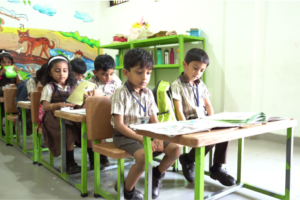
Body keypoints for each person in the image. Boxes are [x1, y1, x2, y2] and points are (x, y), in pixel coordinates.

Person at [111, 48, 181, 200]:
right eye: (139, 72)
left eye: (148, 72)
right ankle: (128, 191)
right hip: (126, 134)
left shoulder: (148, 93)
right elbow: (119, 125)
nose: (145, 77)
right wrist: (140, 138)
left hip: (147, 132)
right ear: (126, 73)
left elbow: (154, 120)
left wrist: (158, 136)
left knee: (176, 150)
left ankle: (157, 175)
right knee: (144, 158)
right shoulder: (120, 92)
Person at [171, 48, 236, 186]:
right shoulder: (177, 85)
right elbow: (178, 109)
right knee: (210, 137)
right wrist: (185, 126)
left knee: (226, 131)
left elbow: (208, 105)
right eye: (195, 68)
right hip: (190, 121)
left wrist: (213, 120)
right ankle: (188, 159)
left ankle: (217, 168)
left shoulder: (200, 84)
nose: (198, 73)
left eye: (201, 70)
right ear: (184, 64)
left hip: (204, 121)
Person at [40, 55, 92, 174]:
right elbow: (45, 106)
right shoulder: (49, 87)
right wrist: (59, 105)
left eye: (65, 70)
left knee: (88, 128)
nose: (61, 74)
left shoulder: (73, 86)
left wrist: (85, 101)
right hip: (53, 117)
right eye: (57, 71)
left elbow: (77, 105)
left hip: (70, 115)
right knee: (68, 131)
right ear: (50, 72)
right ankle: (70, 163)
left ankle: (94, 159)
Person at [88, 54, 122, 167]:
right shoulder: (90, 84)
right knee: (94, 132)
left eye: (111, 74)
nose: (108, 78)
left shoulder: (116, 81)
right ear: (95, 72)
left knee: (104, 132)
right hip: (95, 115)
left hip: (112, 113)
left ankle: (103, 156)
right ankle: (94, 158)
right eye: (104, 74)